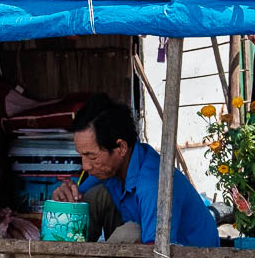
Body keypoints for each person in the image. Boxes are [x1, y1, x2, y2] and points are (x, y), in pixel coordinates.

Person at [51, 95, 218, 246]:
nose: (85, 166)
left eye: (91, 156)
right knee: (90, 199)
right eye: (81, 156)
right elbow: (79, 201)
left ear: (121, 147)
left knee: (129, 232)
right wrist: (66, 197)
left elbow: (158, 257)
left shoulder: (153, 186)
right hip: (152, 253)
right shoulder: (109, 169)